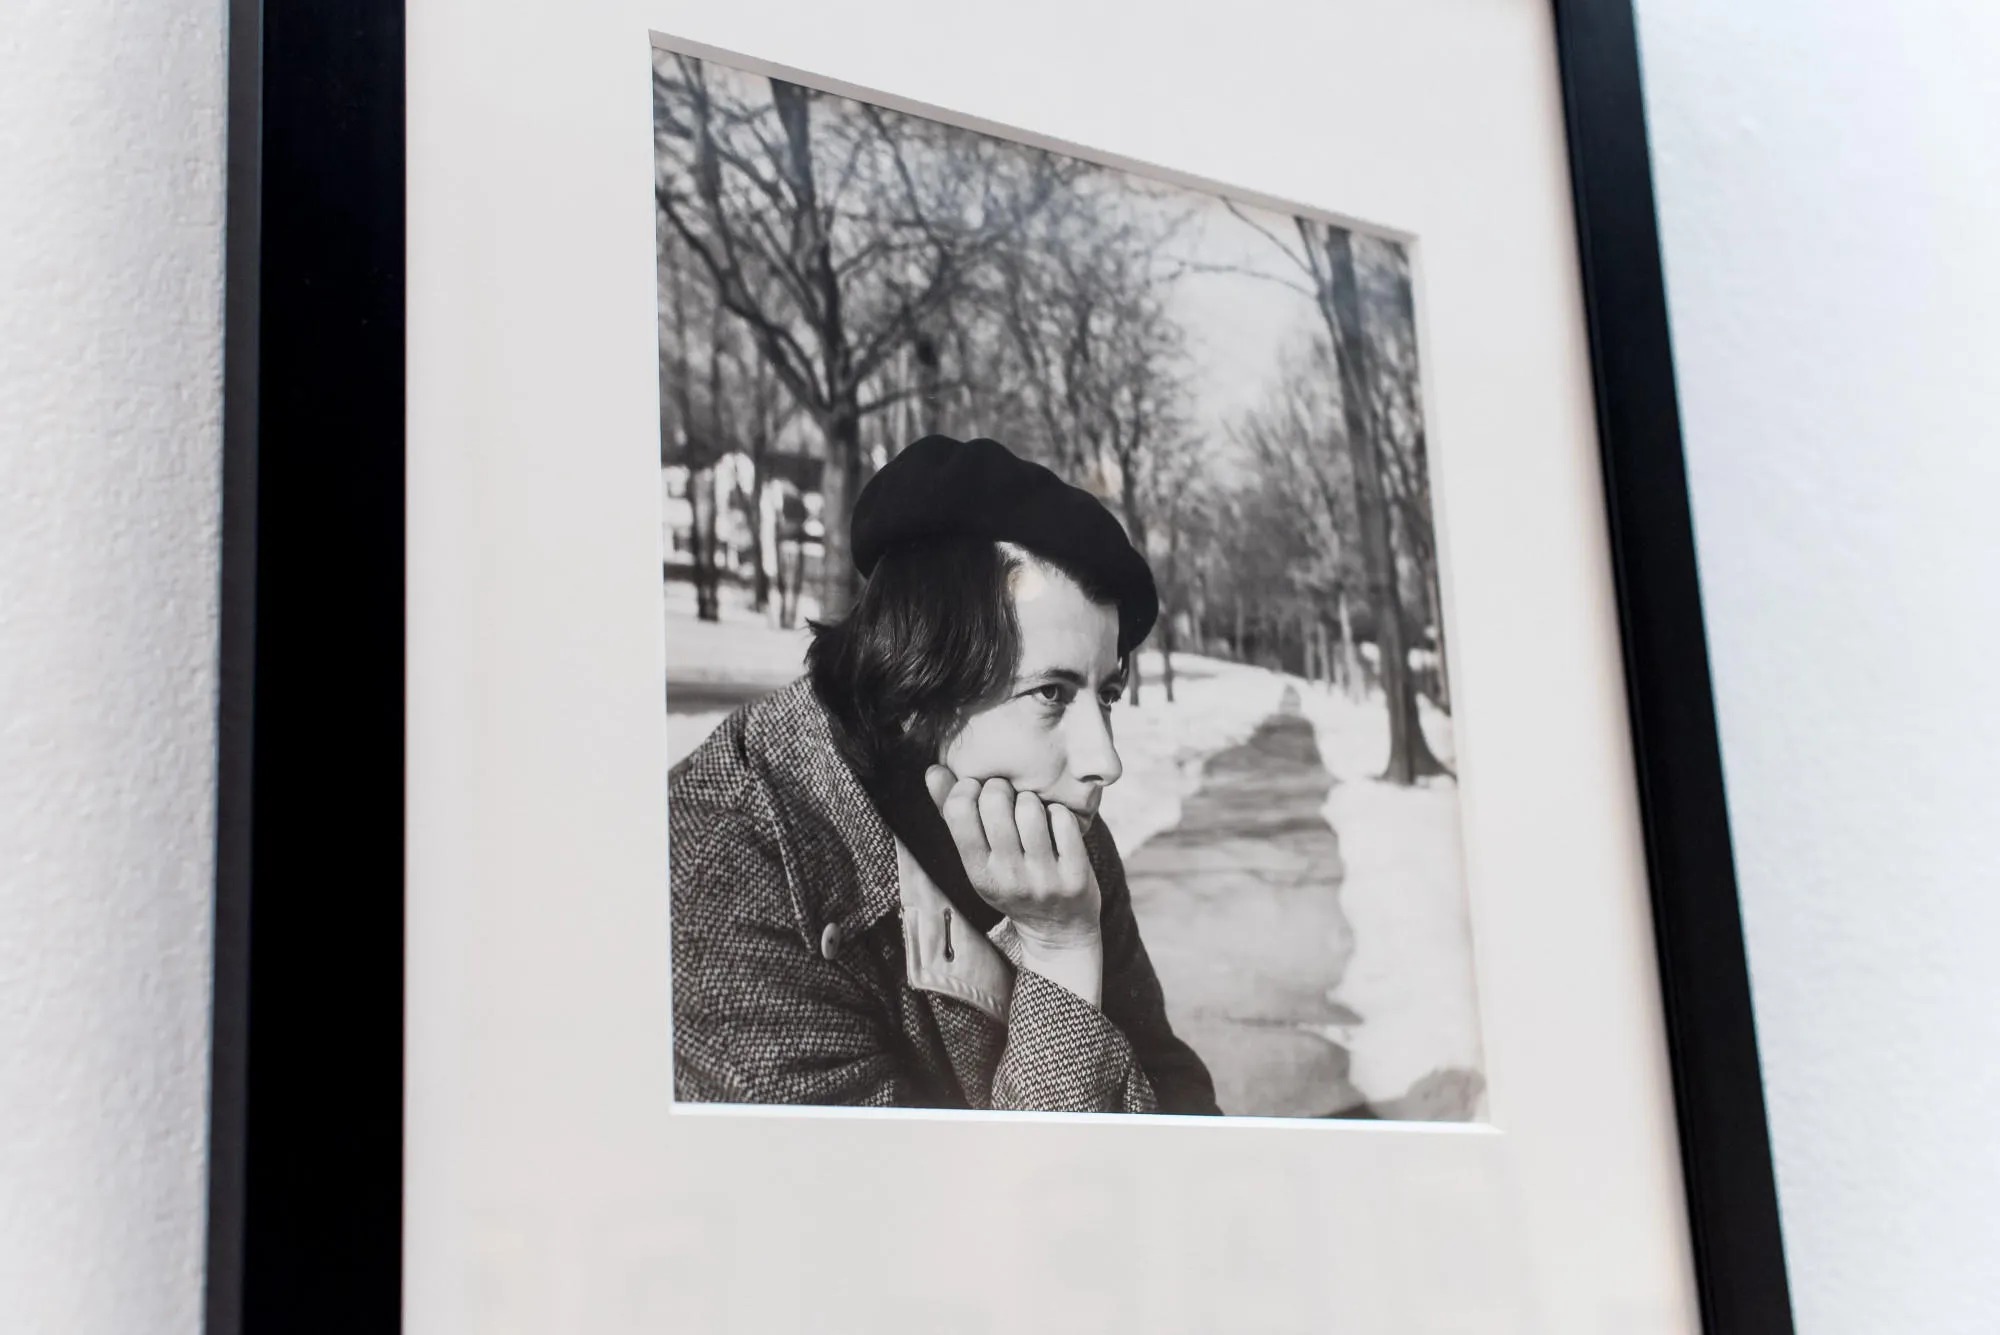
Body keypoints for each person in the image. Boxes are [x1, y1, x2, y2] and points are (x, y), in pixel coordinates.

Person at [669, 434, 1219, 1114]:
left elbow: (1176, 1093)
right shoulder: (727, 877)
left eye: (1105, 694)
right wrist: (1060, 953)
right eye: (1051, 693)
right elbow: (948, 1191)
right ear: (914, 688)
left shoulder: (1050, 823)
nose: (1105, 762)